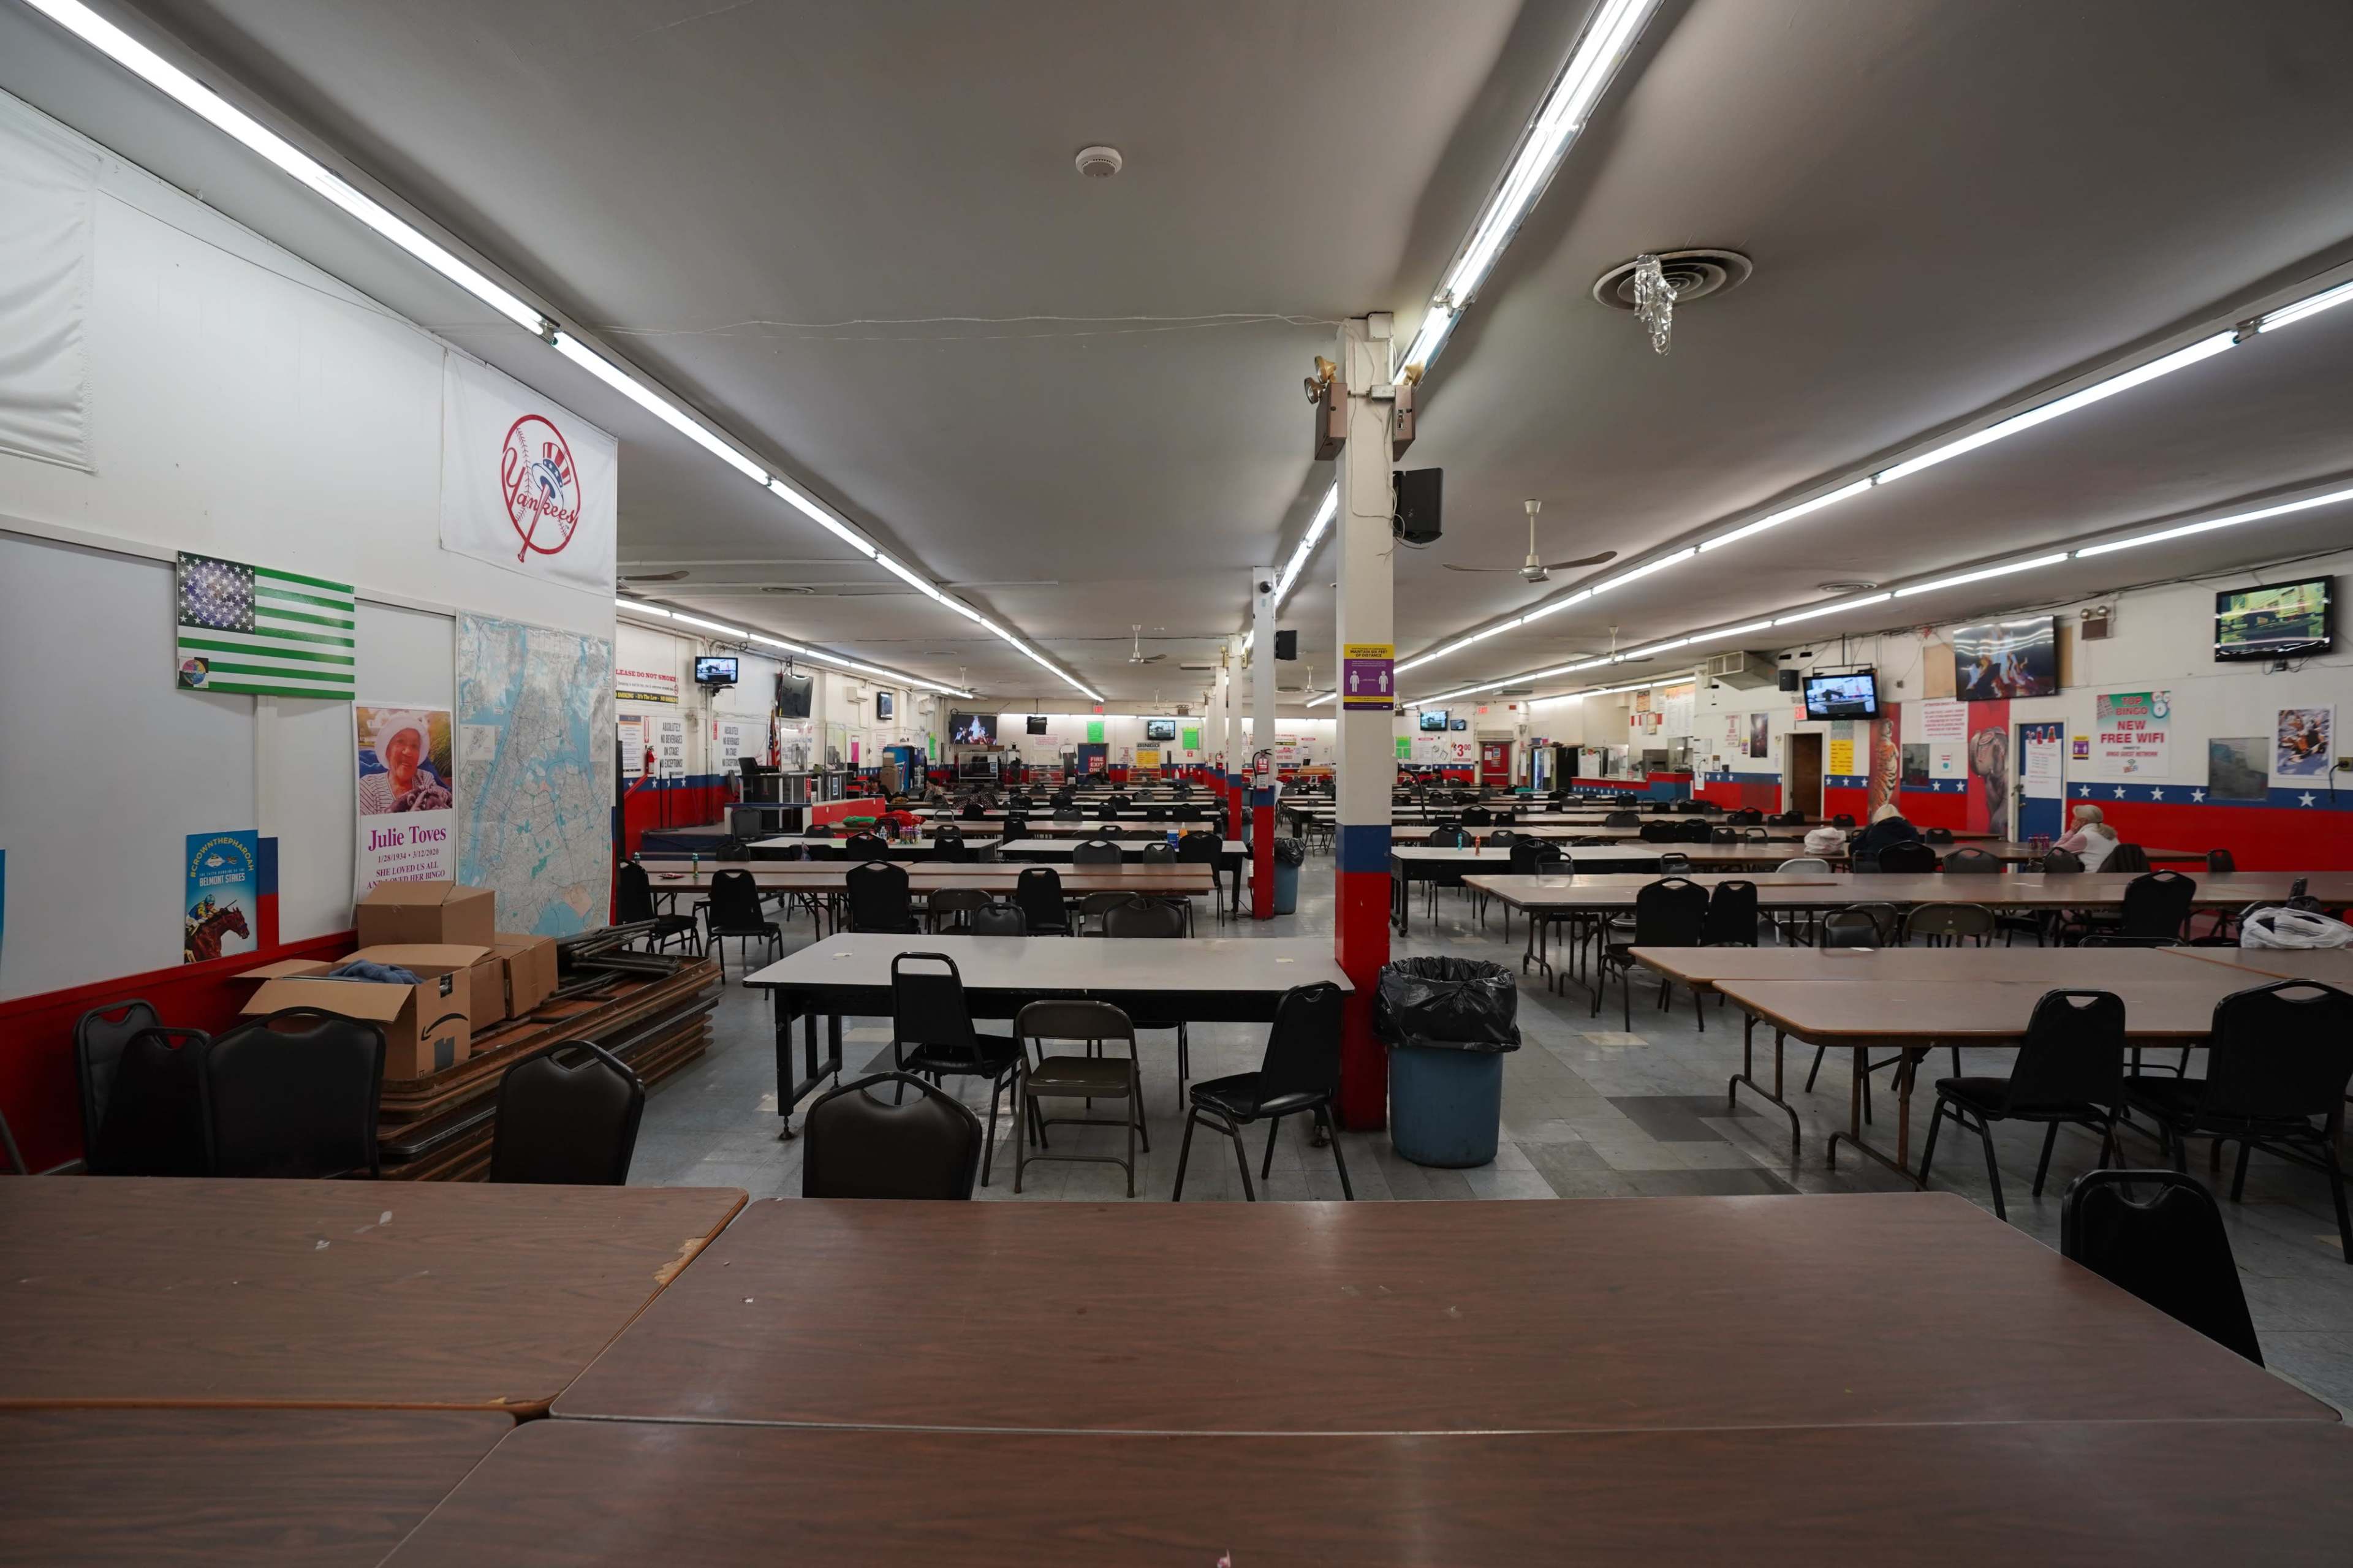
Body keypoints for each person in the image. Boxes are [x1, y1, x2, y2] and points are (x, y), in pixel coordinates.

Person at [360, 710, 451, 814]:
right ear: (387, 751)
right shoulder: (369, 787)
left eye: (414, 746)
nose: (408, 752)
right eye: (400, 742)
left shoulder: (426, 779)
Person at [2051, 803, 2118, 870]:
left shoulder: (2084, 837)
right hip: (2112, 877)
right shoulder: (2111, 834)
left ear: (2083, 821)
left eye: (2075, 818)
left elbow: (2053, 853)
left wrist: (2072, 831)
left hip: (2091, 878)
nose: (2073, 821)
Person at [1852, 801, 1920, 859]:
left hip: (1876, 869)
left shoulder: (1873, 828)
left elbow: (1854, 848)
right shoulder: (1910, 829)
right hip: (1908, 870)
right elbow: (1918, 848)